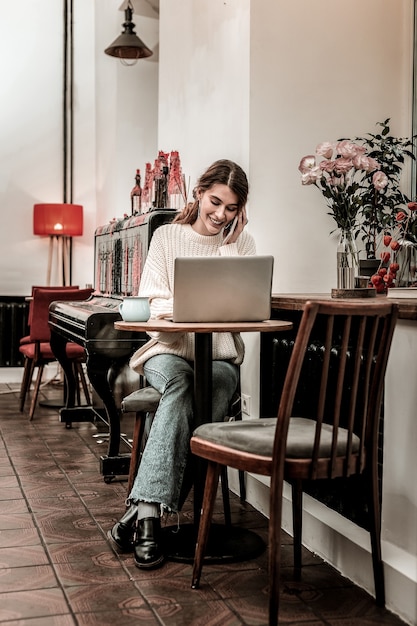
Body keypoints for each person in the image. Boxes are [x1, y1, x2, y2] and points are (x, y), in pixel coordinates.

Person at [108, 159, 256, 569]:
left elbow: (244, 304)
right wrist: (197, 306)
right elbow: (153, 303)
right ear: (198, 193)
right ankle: (151, 518)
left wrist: (228, 246)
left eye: (231, 208)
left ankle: (139, 515)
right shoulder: (167, 238)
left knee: (209, 387)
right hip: (167, 351)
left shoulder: (241, 244)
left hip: (221, 356)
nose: (221, 214)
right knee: (182, 385)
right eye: (215, 202)